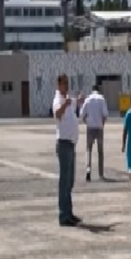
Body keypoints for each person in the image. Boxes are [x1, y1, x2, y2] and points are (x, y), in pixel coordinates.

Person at [53, 75, 85, 227]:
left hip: (71, 144)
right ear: (58, 84)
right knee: (64, 181)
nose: (66, 86)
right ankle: (63, 215)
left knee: (70, 181)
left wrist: (79, 100)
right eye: (64, 83)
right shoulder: (58, 100)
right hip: (64, 144)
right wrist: (65, 105)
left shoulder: (68, 100)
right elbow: (57, 114)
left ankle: (69, 212)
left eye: (67, 83)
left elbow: (75, 103)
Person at [80, 84, 108, 182]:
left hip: (90, 127)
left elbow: (81, 114)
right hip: (99, 127)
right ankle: (101, 173)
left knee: (88, 149)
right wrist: (102, 124)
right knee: (100, 151)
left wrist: (86, 122)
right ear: (98, 90)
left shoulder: (88, 99)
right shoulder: (102, 99)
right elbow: (105, 114)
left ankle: (88, 170)